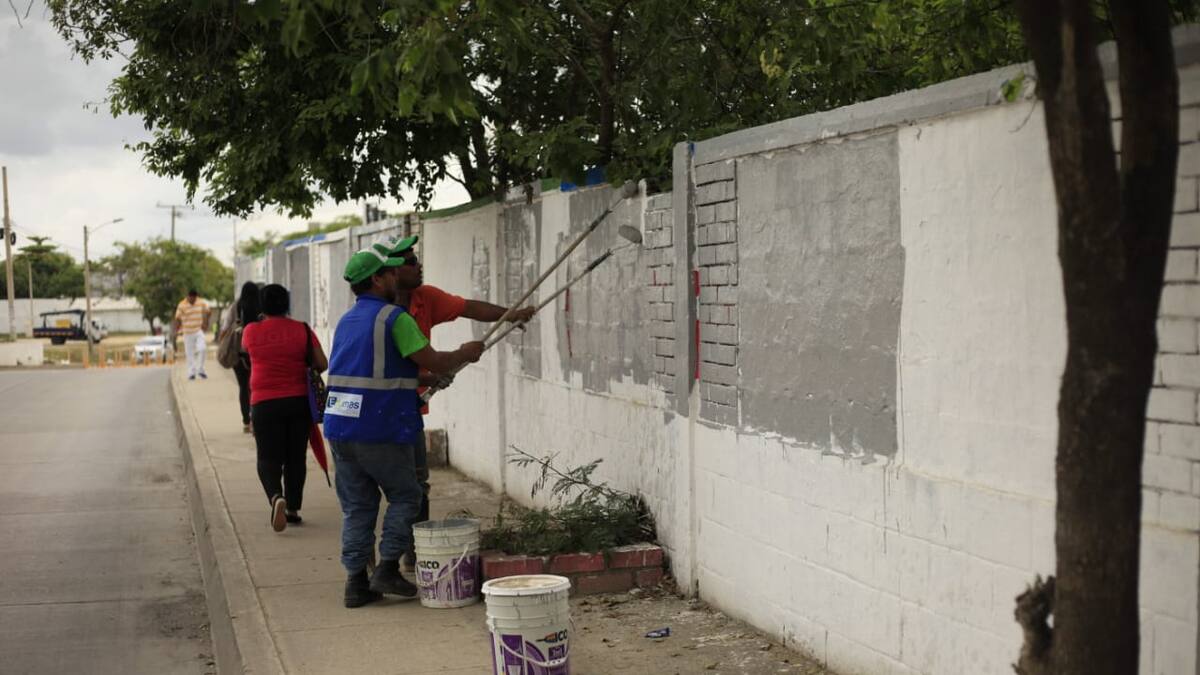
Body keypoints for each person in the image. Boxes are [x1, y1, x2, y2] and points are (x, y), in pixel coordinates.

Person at [324, 237, 484, 608]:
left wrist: (425, 380)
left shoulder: (347, 321)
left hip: (341, 428)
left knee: (358, 507)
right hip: (379, 427)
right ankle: (388, 566)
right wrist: (464, 352)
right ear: (378, 280)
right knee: (407, 495)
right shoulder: (395, 318)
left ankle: (356, 583)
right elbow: (435, 359)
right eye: (391, 272)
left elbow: (372, 372)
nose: (397, 276)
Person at [383, 235, 535, 571]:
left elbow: (469, 307)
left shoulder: (425, 298)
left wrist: (510, 315)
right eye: (410, 261)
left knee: (416, 484)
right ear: (391, 271)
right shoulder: (381, 313)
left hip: (408, 408)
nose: (418, 265)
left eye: (416, 258)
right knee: (397, 489)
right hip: (384, 409)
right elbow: (392, 369)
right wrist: (448, 363)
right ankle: (384, 563)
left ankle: (413, 553)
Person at [241, 284, 328, 533]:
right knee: (295, 457)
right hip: (298, 401)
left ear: (262, 305)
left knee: (267, 457)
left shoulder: (250, 331)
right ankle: (292, 509)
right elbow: (322, 363)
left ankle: (275, 496)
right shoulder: (302, 329)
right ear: (286, 303)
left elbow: (246, 353)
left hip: (264, 402)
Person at [218, 281, 262, 433]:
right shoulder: (261, 305)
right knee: (256, 387)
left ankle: (246, 421)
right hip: (258, 352)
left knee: (244, 387)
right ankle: (256, 420)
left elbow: (225, 327)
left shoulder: (236, 306)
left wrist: (222, 342)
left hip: (239, 353)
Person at [174, 289, 212, 380]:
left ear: (196, 297)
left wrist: (206, 323)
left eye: (194, 299)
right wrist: (177, 329)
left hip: (198, 330)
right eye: (191, 299)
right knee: (189, 353)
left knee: (202, 349)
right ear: (188, 297)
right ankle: (191, 372)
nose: (193, 301)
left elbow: (208, 312)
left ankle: (201, 370)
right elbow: (177, 318)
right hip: (187, 332)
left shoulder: (201, 302)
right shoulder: (181, 305)